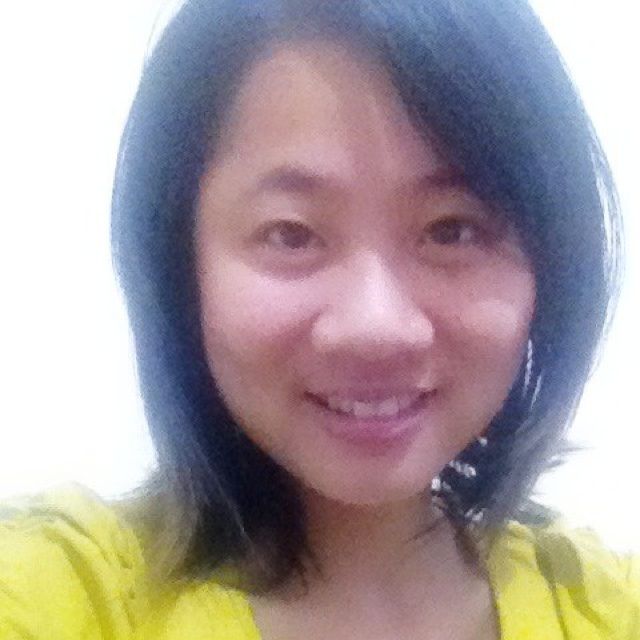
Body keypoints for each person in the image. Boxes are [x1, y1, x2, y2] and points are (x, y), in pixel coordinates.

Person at [1, 0, 638, 638]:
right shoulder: (59, 592)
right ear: (180, 262)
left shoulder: (605, 609)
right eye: (291, 234)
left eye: (452, 229)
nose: (376, 326)